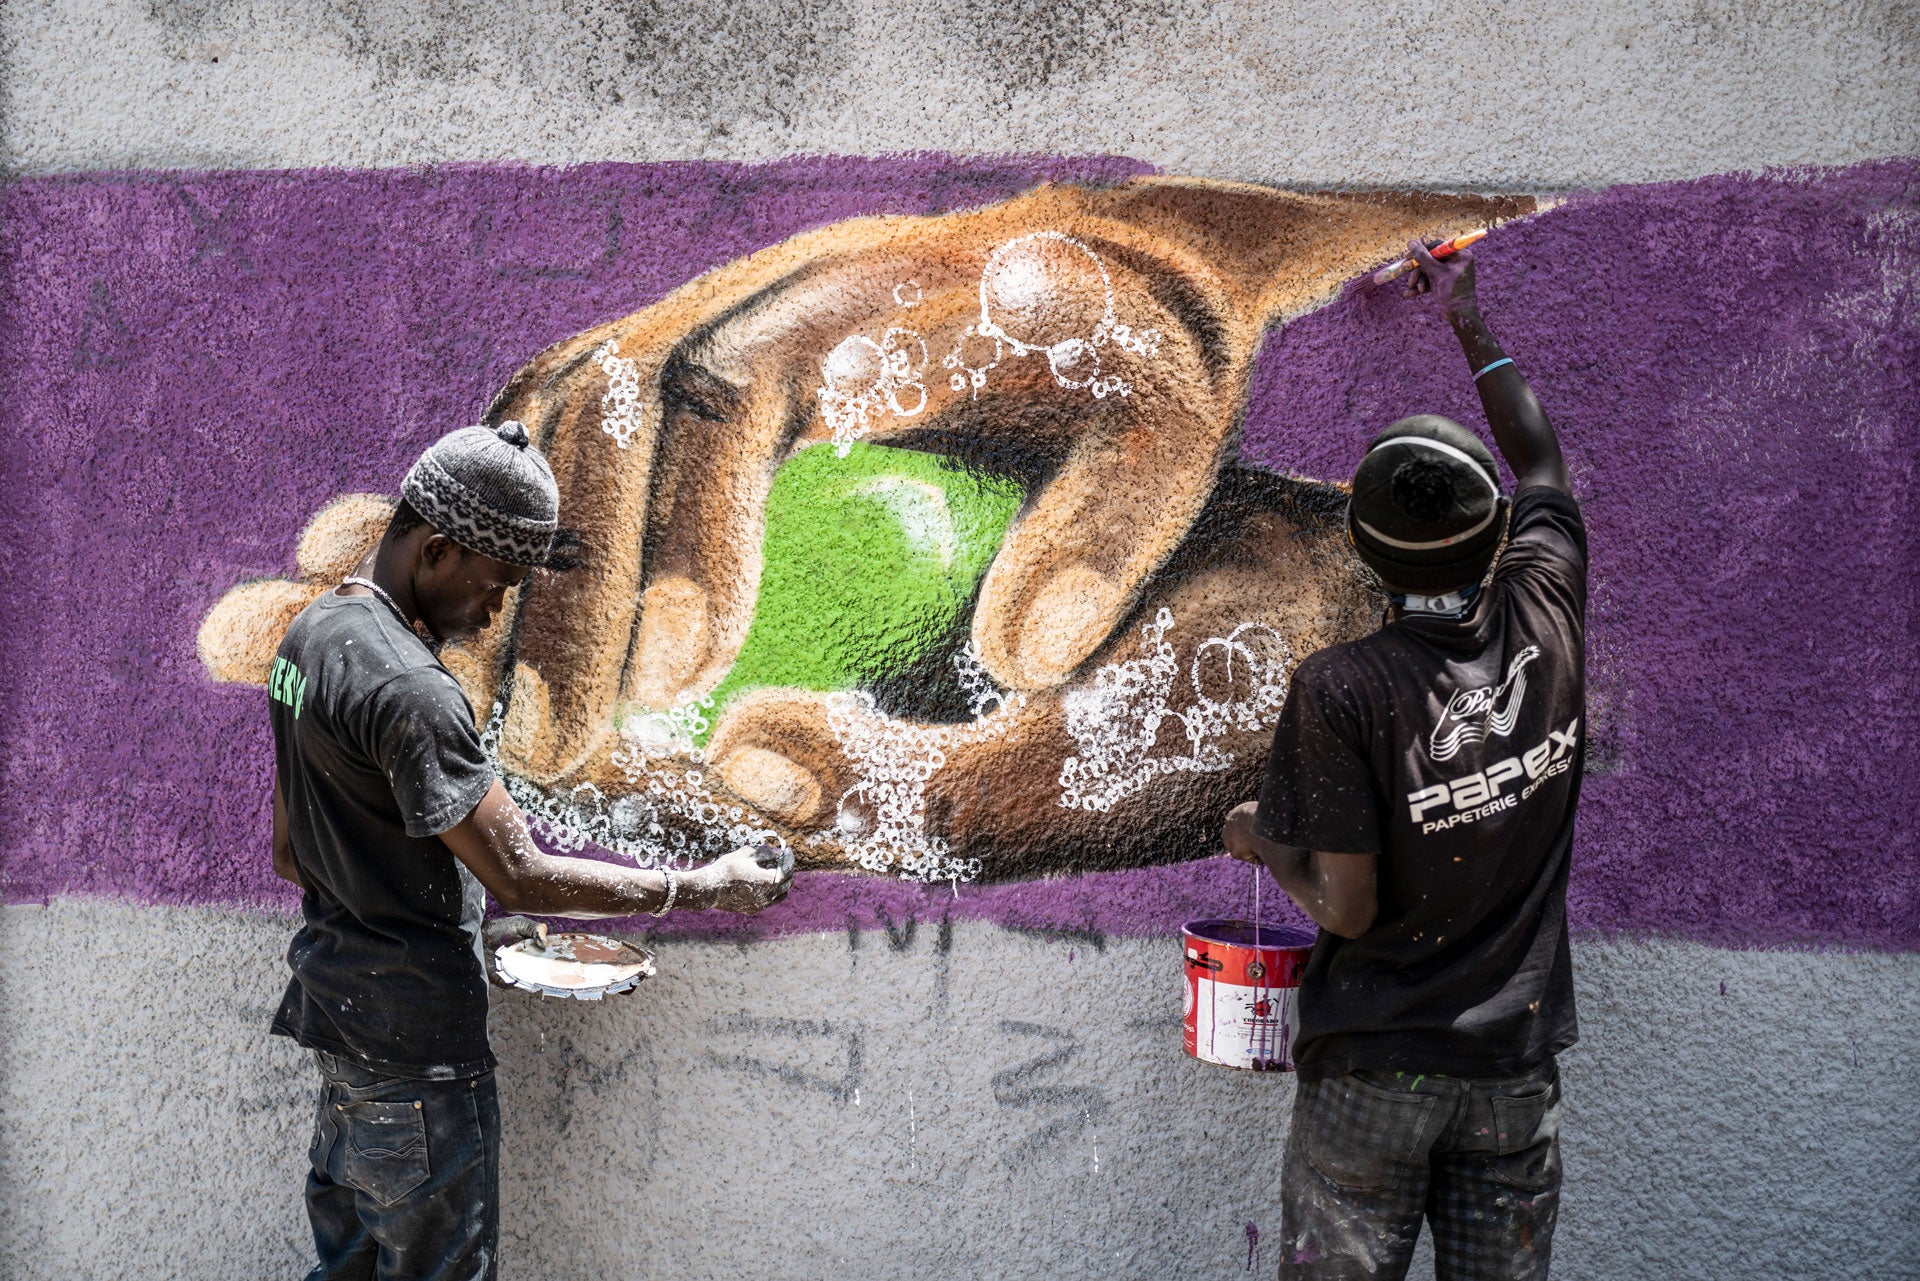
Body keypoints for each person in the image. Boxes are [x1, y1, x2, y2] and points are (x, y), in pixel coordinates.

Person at [266, 420, 791, 1281]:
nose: (496, 611)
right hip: (419, 1061)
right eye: (497, 583)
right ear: (437, 549)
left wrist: (444, 912)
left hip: (345, 1036)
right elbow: (524, 871)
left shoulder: (311, 636)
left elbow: (295, 851)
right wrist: (701, 884)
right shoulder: (413, 690)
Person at [1222, 238, 1584, 1280]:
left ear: (1364, 559)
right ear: (1500, 532)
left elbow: (1343, 908)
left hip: (1376, 1078)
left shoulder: (1346, 687)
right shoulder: (1549, 602)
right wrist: (1468, 321)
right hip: (1511, 1079)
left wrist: (1259, 844)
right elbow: (1545, 462)